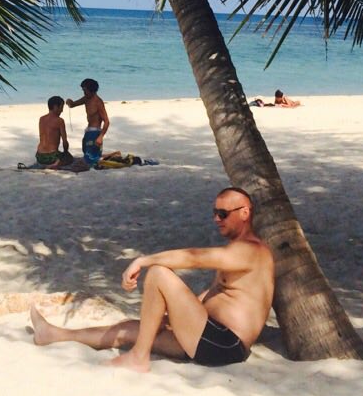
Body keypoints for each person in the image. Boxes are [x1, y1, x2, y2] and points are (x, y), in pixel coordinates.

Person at [30, 187, 274, 372]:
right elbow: (215, 294)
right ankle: (54, 334)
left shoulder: (252, 251)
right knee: (128, 328)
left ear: (244, 213)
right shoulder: (236, 251)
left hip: (224, 344)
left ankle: (139, 358)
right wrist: (172, 318)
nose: (216, 219)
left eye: (223, 214)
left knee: (158, 272)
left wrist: (143, 261)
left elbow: (194, 258)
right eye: (214, 213)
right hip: (206, 334)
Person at [66, 78, 109, 166]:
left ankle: (112, 157)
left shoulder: (98, 102)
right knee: (86, 151)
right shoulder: (86, 98)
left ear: (92, 90)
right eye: (83, 90)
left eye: (85, 90)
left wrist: (101, 136)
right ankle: (111, 155)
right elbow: (73, 105)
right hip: (88, 130)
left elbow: (107, 121)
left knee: (91, 158)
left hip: (95, 132)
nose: (84, 93)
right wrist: (69, 102)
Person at [35, 96, 71, 168]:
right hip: (52, 156)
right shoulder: (60, 121)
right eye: (61, 107)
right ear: (55, 107)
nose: (62, 111)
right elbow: (65, 142)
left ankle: (45, 164)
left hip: (39, 156)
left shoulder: (41, 119)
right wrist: (66, 153)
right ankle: (55, 164)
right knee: (70, 158)